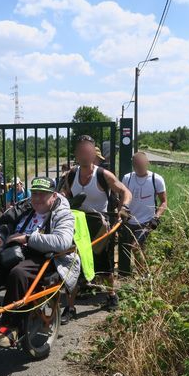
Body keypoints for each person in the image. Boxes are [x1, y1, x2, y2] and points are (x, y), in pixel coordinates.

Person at [0, 177, 79, 347]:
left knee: (19, 273)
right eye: (35, 193)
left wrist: (28, 238)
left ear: (53, 196)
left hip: (45, 256)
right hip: (15, 253)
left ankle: (11, 327)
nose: (37, 198)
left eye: (43, 194)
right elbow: (5, 224)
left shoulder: (63, 213)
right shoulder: (25, 207)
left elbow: (63, 241)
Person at [61, 135, 132, 323]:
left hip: (100, 226)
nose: (85, 155)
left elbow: (126, 192)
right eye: (81, 151)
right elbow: (63, 196)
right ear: (76, 154)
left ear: (94, 154)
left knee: (105, 266)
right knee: (73, 265)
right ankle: (70, 308)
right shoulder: (70, 175)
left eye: (88, 151)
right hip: (77, 227)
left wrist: (123, 208)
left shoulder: (103, 175)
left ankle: (111, 295)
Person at [120, 151, 167, 275]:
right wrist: (121, 212)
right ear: (133, 165)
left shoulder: (156, 179)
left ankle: (143, 277)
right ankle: (140, 274)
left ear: (147, 163)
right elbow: (122, 198)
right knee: (137, 249)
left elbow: (164, 202)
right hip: (129, 221)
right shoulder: (127, 178)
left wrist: (156, 217)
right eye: (136, 164)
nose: (139, 167)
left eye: (141, 164)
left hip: (147, 222)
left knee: (135, 247)